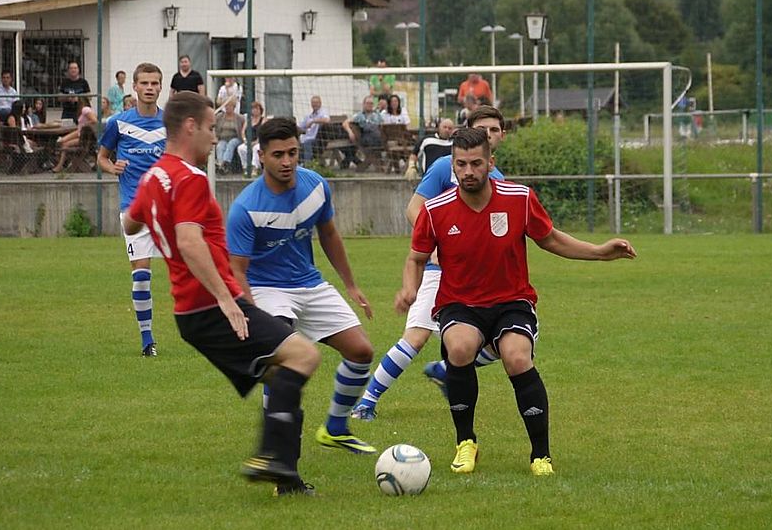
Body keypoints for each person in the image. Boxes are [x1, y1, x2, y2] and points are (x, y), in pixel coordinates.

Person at [395, 127, 636, 476]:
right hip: (460, 303)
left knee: (517, 357)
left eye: (476, 163)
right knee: (459, 348)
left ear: (491, 162)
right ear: (453, 165)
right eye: (461, 165)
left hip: (512, 300)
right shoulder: (435, 210)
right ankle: (466, 442)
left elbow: (551, 239)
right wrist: (409, 289)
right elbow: (416, 258)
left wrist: (600, 252)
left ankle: (541, 455)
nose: (468, 172)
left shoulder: (519, 198)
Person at [122, 90, 322, 496]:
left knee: (284, 376)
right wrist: (227, 299)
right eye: (211, 128)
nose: (216, 137)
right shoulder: (190, 177)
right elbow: (189, 240)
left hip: (188, 313)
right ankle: (273, 457)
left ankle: (287, 478)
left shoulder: (153, 177)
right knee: (304, 356)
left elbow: (130, 223)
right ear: (190, 127)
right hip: (212, 304)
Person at [226, 117, 377, 456]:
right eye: (278, 154)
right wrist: (252, 316)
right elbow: (237, 270)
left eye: (293, 153)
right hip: (267, 289)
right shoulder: (246, 208)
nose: (287, 161)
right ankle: (278, 451)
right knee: (282, 360)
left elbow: (329, 234)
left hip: (310, 283)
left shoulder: (316, 186)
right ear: (261, 156)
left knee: (361, 352)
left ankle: (335, 429)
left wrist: (350, 285)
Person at [352, 106, 508, 422]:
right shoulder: (443, 167)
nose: (488, 135)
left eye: (494, 130)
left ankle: (445, 369)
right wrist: (436, 242)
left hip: (477, 278)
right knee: (417, 336)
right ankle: (365, 402)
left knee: (505, 340)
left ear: (501, 136)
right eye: (482, 129)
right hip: (439, 271)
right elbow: (415, 209)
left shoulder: (498, 179)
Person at [97, 62, 168, 357]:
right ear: (135, 87)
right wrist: (112, 167)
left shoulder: (170, 123)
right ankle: (147, 340)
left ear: (160, 87)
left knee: (194, 272)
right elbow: (102, 158)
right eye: (144, 83)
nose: (149, 88)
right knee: (141, 277)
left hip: (168, 209)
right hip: (134, 210)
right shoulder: (118, 123)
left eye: (154, 83)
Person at [51, 97, 97, 173]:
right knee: (61, 141)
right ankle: (64, 162)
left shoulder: (85, 109)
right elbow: (79, 128)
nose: (73, 101)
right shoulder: (82, 110)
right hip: (79, 133)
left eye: (74, 98)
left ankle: (60, 165)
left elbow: (94, 120)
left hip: (84, 138)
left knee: (65, 145)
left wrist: (85, 125)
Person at [341, 95, 384, 169]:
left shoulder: (377, 114)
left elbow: (383, 124)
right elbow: (345, 123)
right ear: (363, 104)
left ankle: (380, 161)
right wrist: (350, 132)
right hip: (367, 137)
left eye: (371, 103)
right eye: (367, 103)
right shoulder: (359, 115)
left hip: (378, 135)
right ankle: (379, 161)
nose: (369, 105)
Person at [214, 100, 245, 173]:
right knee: (220, 146)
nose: (227, 108)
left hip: (236, 138)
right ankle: (220, 165)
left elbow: (243, 128)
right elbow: (214, 127)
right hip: (223, 138)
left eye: (229, 106)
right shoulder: (219, 117)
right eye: (226, 106)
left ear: (234, 107)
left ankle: (226, 163)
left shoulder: (239, 118)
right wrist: (215, 137)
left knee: (231, 144)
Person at [237, 100, 266, 176]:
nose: (255, 110)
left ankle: (254, 167)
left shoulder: (263, 120)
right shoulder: (248, 120)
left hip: (259, 142)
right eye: (253, 108)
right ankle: (246, 167)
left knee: (256, 148)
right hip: (248, 142)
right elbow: (243, 132)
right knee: (241, 148)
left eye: (257, 109)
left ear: (260, 110)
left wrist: (256, 142)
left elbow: (263, 132)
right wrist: (245, 140)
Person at [297, 95, 330, 162]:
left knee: (307, 143)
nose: (314, 104)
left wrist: (313, 121)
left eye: (316, 102)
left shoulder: (322, 112)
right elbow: (301, 126)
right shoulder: (309, 116)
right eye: (313, 103)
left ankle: (308, 164)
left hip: (318, 139)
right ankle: (301, 164)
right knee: (298, 144)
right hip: (306, 138)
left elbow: (327, 120)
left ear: (320, 103)